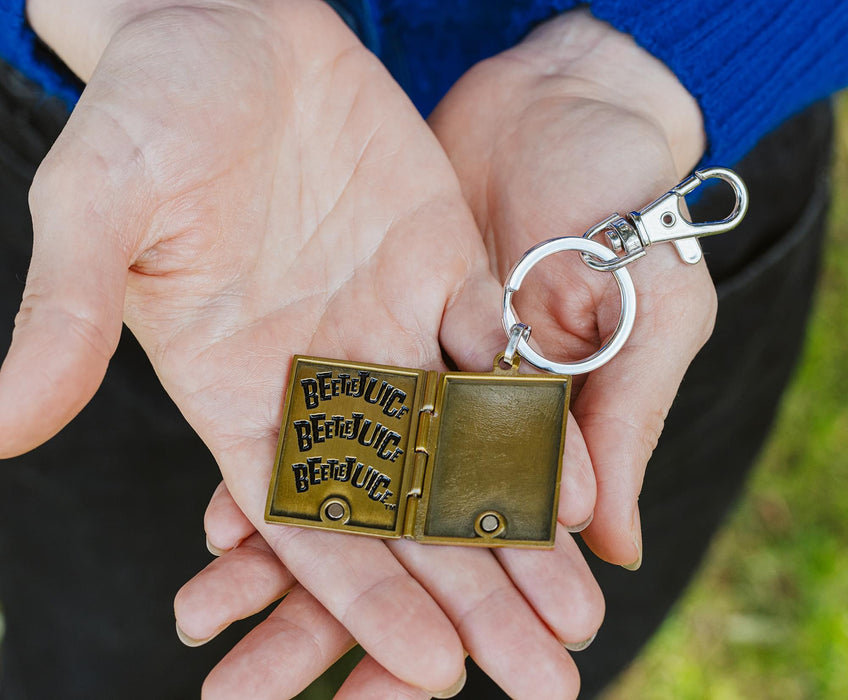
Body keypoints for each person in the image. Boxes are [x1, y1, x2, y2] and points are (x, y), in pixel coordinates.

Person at [0, 1, 845, 698]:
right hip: (147, 154)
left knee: (523, 648)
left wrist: (675, 57)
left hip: (666, 148)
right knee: (112, 659)